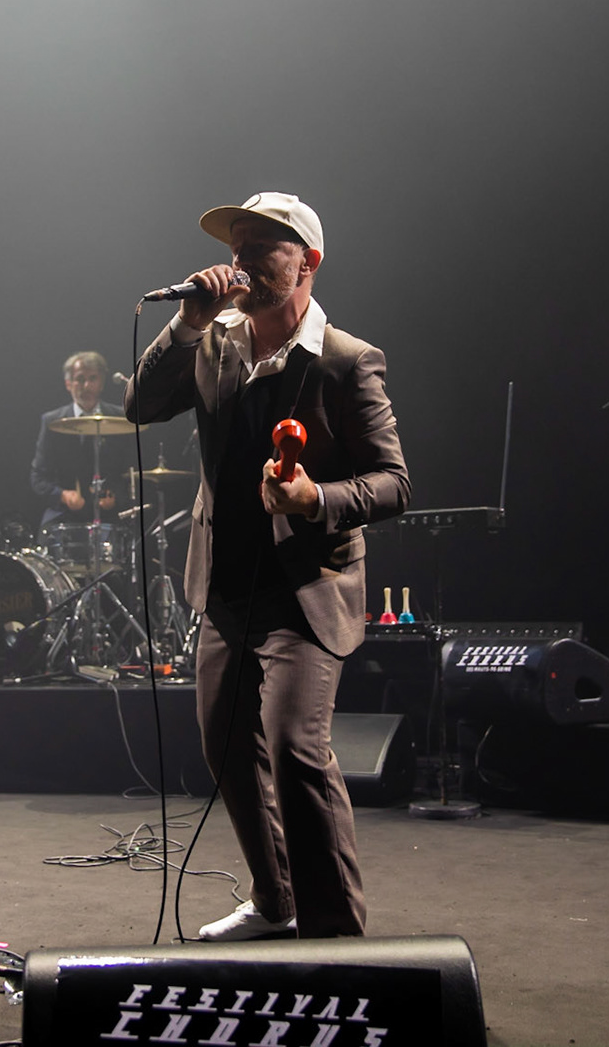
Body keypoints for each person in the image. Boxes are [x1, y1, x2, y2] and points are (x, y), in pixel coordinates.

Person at [125, 191, 408, 941]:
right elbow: (140, 405)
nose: (241, 259)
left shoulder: (346, 361)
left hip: (307, 589)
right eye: (237, 245)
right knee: (225, 748)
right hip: (226, 583)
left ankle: (336, 934)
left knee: (293, 749)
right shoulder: (213, 341)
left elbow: (393, 483)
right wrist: (184, 323)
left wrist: (317, 496)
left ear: (307, 263)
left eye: (263, 247)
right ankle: (275, 903)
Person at [29, 351, 122, 529]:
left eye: (92, 378)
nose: (86, 386)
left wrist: (116, 495)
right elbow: (37, 477)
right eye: (79, 379)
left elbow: (131, 470)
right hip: (65, 513)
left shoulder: (121, 418)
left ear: (102, 383)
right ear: (68, 384)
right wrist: (62, 495)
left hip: (109, 513)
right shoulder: (52, 421)